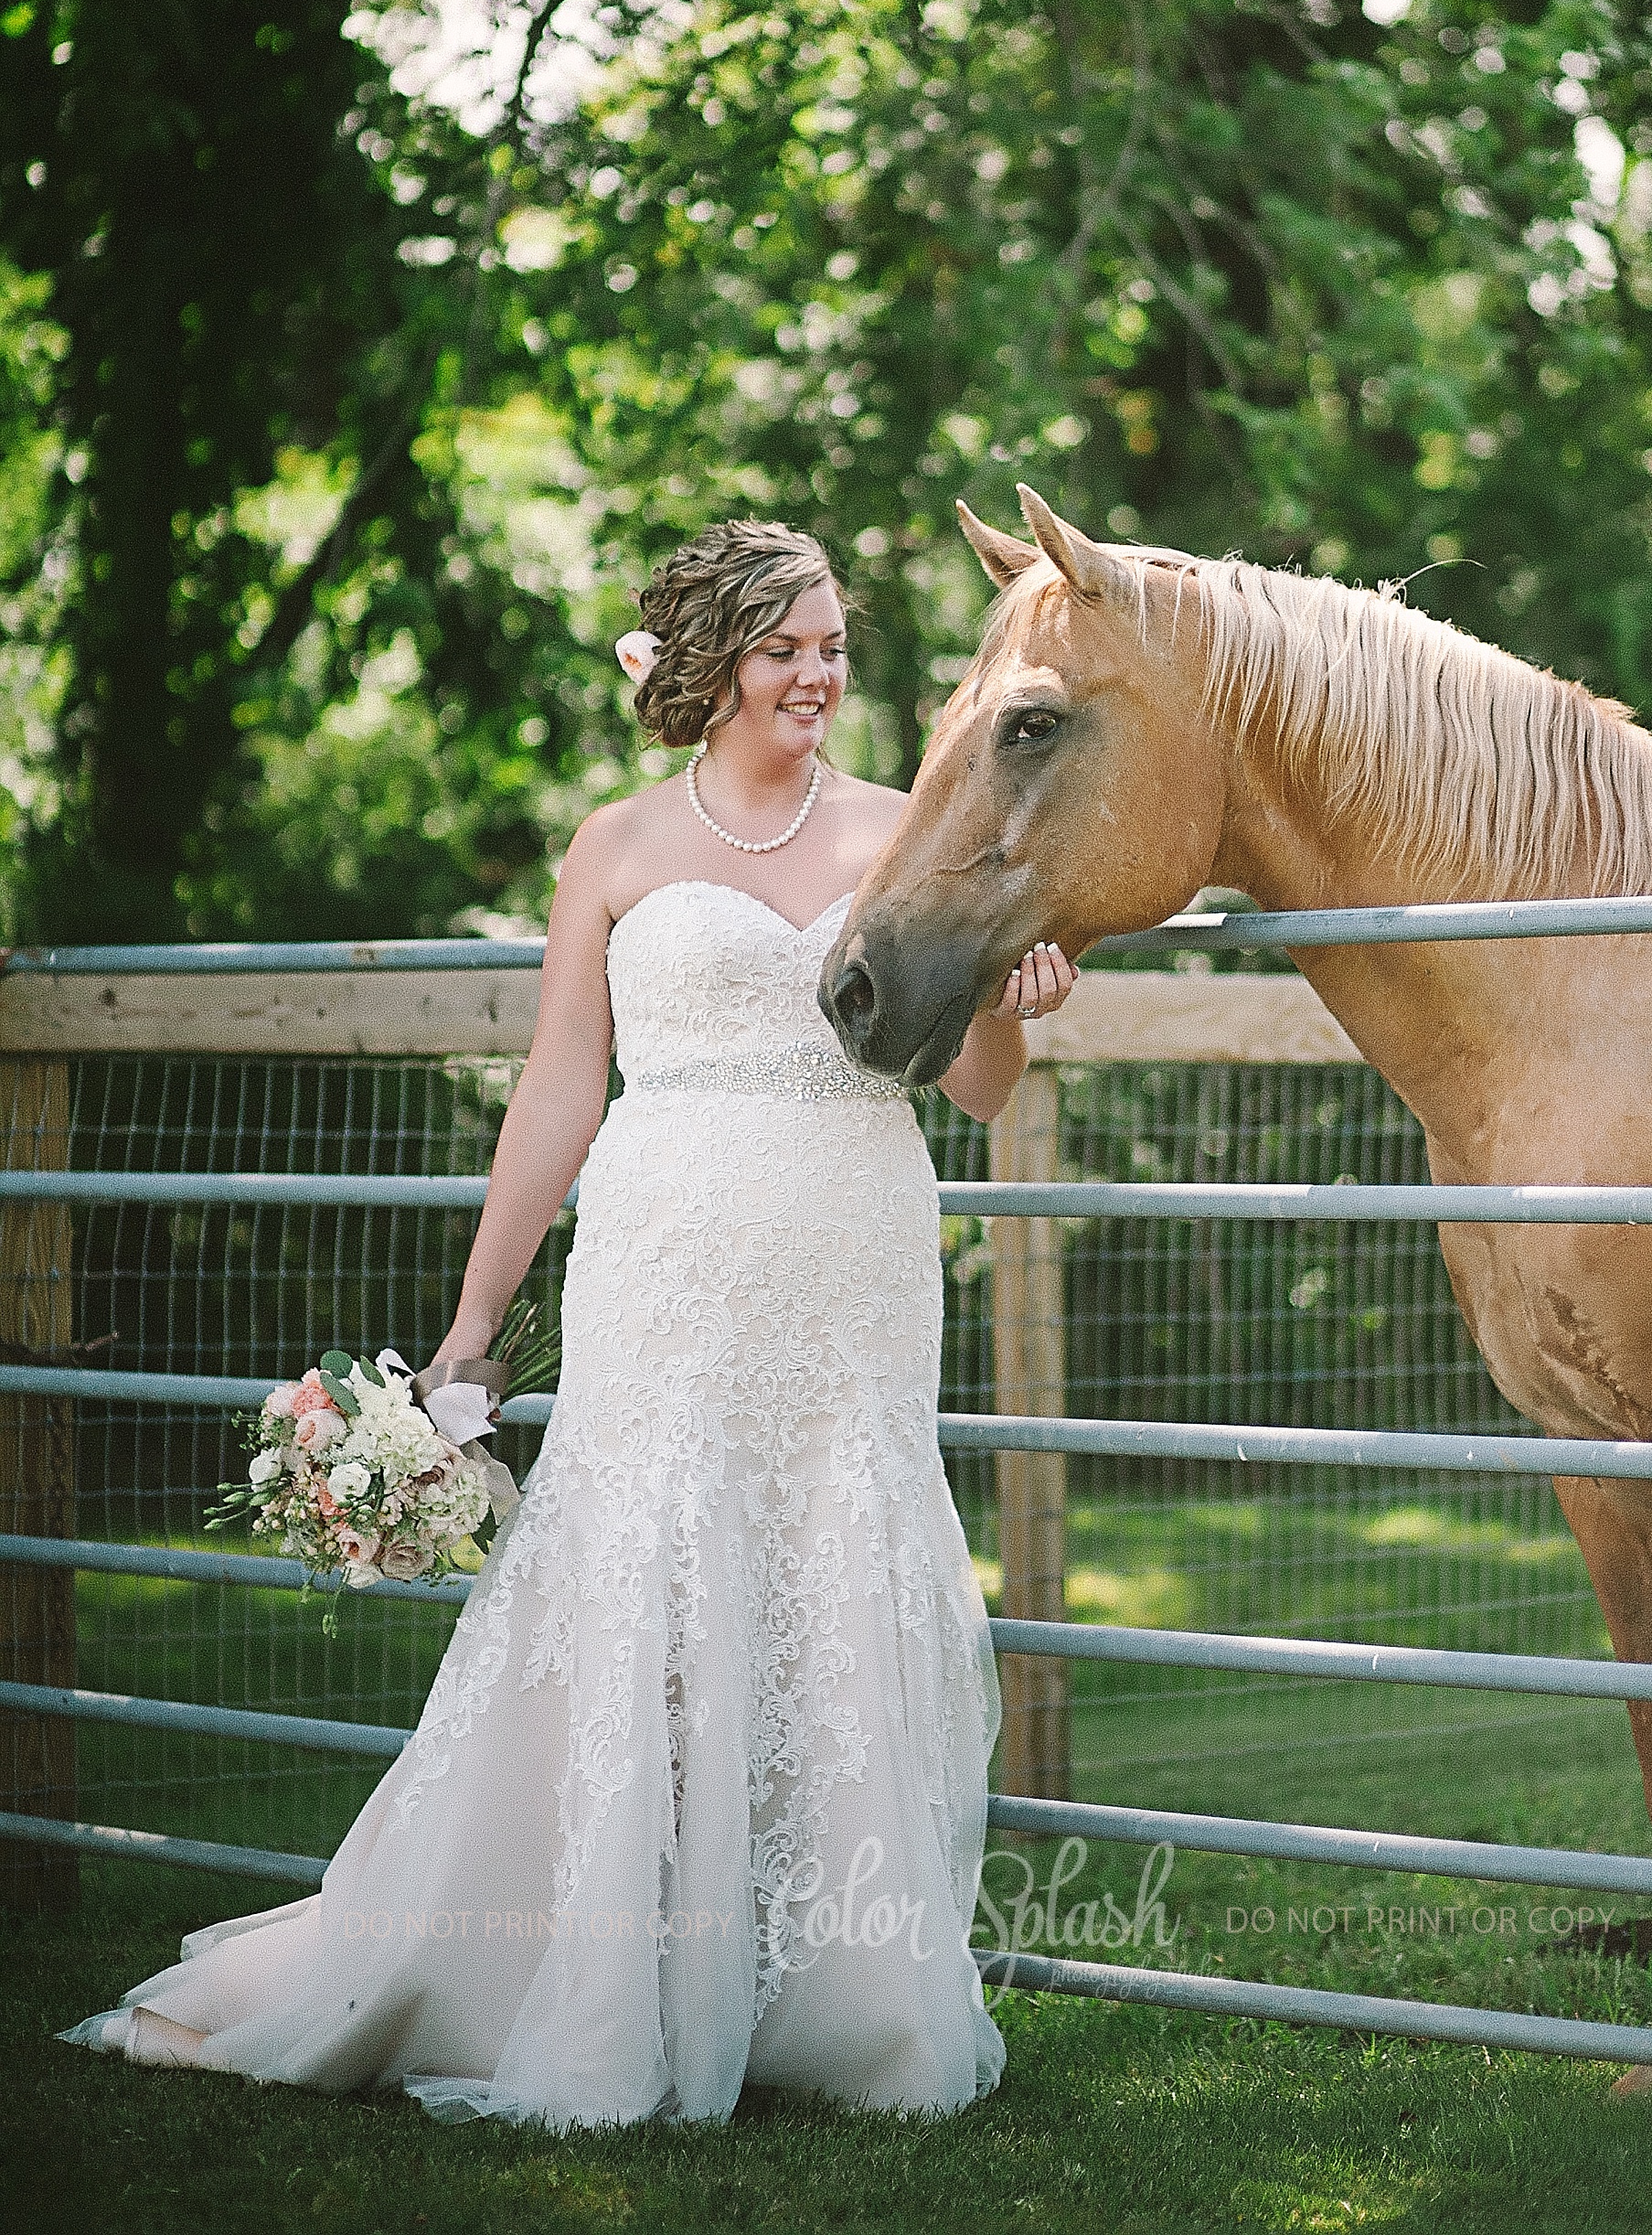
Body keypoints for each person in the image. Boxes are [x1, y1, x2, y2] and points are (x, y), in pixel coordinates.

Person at [62, 519, 1076, 2129]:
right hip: (663, 1247)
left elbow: (980, 1089)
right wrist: (475, 1320)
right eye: (787, 648)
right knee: (645, 1573)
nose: (820, 674)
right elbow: (558, 1090)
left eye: (832, 646)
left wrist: (1018, 1004)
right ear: (714, 662)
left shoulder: (906, 832)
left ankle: (843, 2001)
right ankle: (596, 1975)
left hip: (852, 1253)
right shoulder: (611, 848)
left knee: (833, 1557)